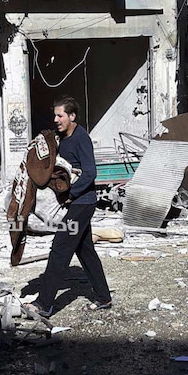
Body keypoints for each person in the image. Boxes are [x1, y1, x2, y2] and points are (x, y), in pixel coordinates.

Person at [23, 96, 112, 318]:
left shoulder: (82, 138)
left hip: (81, 204)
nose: (56, 119)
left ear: (72, 116)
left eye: (60, 115)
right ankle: (104, 298)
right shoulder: (64, 138)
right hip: (76, 203)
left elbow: (91, 172)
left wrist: (70, 194)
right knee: (86, 251)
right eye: (55, 115)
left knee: (60, 249)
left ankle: (44, 304)